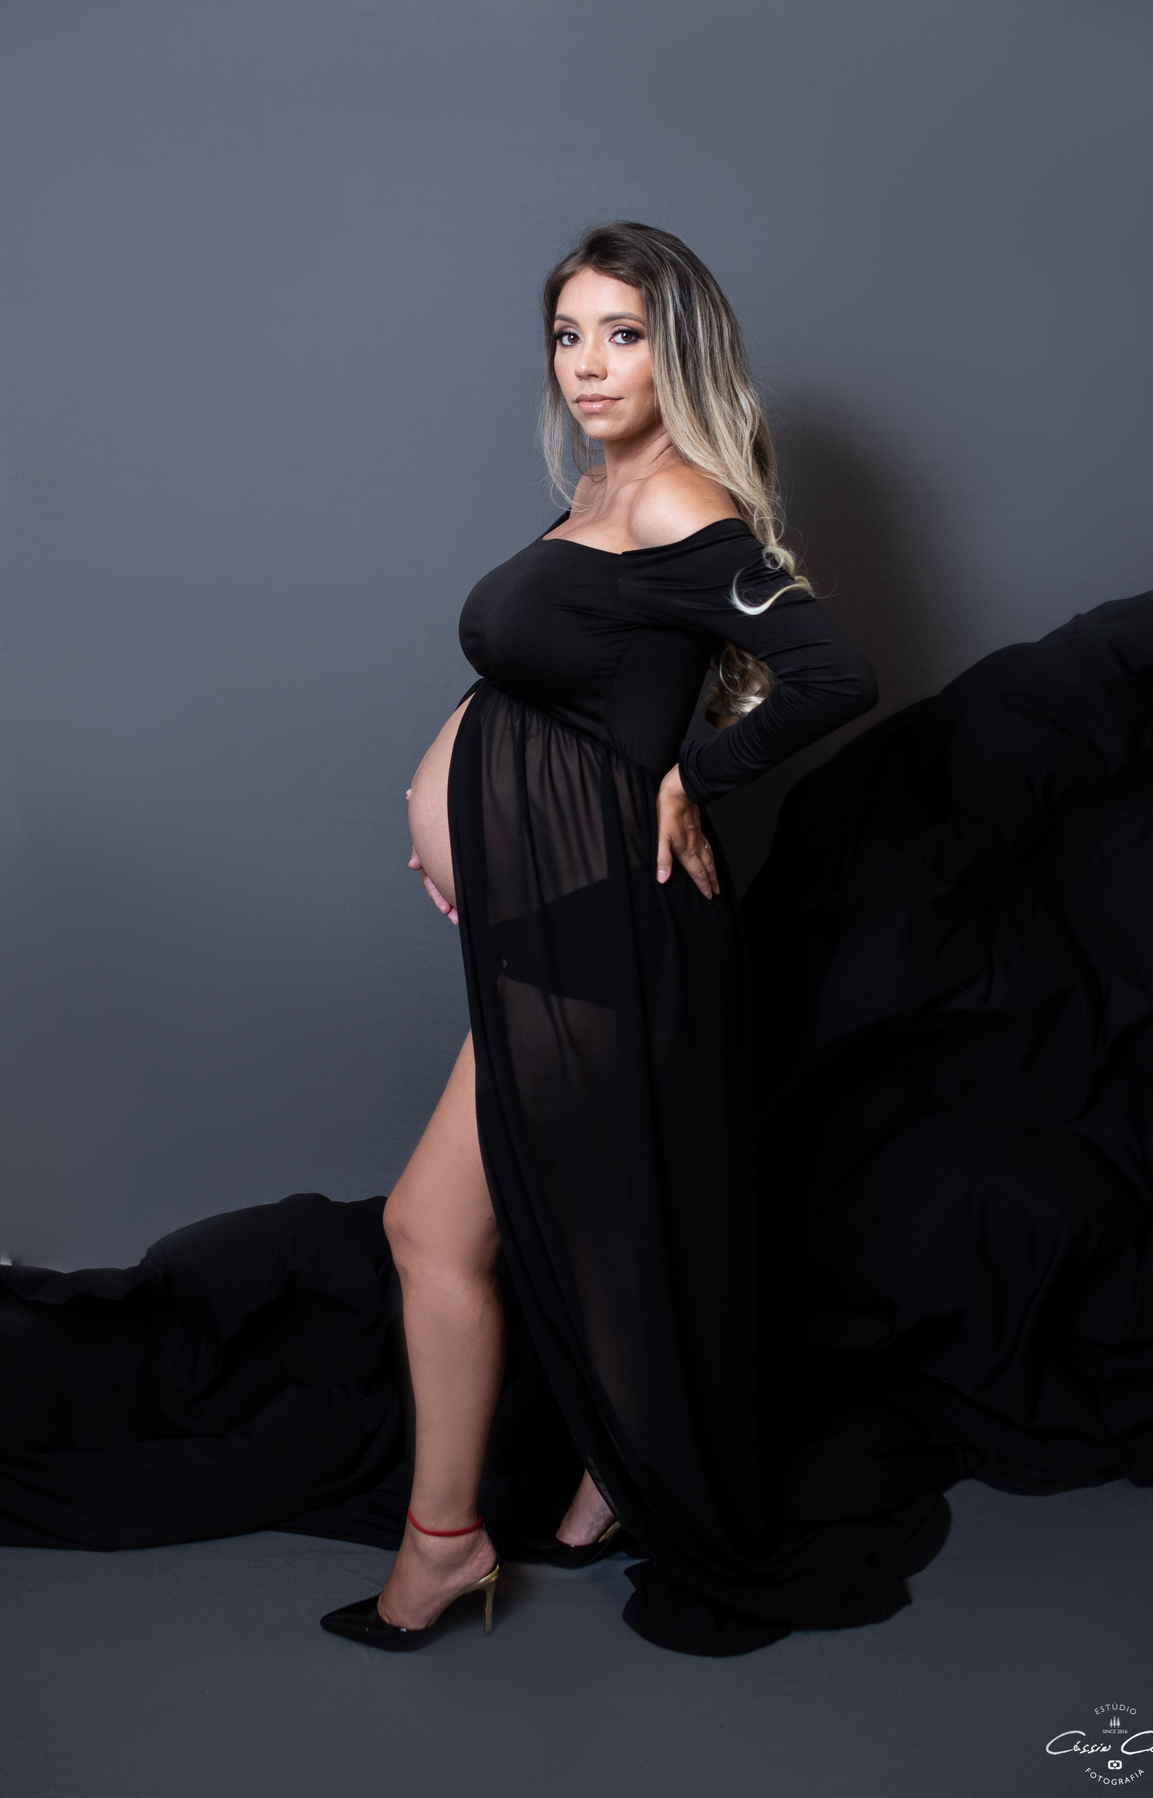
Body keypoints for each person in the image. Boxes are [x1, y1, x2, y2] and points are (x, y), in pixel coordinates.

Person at [319, 219, 919, 1655]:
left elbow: (835, 673)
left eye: (624, 335)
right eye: (569, 335)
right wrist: (437, 784)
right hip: (551, 929)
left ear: (678, 351)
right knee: (579, 1230)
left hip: (610, 932)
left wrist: (693, 780)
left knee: (471, 1229)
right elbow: (545, 679)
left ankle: (451, 1546)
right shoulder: (599, 490)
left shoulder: (678, 504)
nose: (589, 366)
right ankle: (589, 1490)